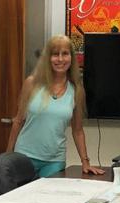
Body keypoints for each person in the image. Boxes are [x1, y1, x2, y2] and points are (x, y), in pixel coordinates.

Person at [7, 35, 104, 177]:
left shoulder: (77, 90)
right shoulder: (31, 83)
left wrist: (85, 162)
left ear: (71, 58)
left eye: (65, 54)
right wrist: (8, 156)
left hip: (54, 161)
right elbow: (18, 121)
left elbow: (77, 130)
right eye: (55, 54)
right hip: (24, 158)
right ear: (48, 58)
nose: (60, 59)